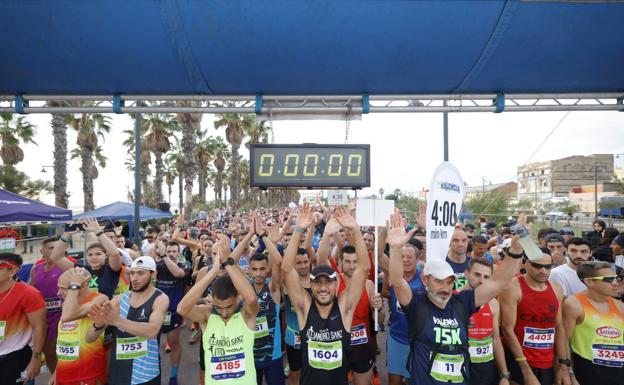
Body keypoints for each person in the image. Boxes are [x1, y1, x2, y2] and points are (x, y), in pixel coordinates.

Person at [387, 211, 524, 385]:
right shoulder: (417, 303)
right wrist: (396, 247)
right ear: (425, 280)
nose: (445, 288)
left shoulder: (462, 302)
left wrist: (517, 250)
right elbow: (398, 281)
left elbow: (499, 282)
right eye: (438, 281)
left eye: (449, 282)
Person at [282, 203, 370, 385]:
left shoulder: (345, 307)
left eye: (328, 282)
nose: (323, 288)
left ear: (336, 284)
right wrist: (298, 229)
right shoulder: (304, 308)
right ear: (311, 286)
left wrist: (355, 229)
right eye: (317, 283)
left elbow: (364, 267)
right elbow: (287, 268)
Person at [177, 233, 260, 385]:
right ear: (212, 300)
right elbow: (182, 309)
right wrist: (213, 272)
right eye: (219, 307)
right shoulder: (207, 314)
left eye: (228, 306)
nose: (224, 312)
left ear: (237, 298)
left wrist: (228, 263)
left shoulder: (246, 314)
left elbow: (252, 298)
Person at [89, 256, 169, 385]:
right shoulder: (118, 300)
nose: (134, 278)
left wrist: (116, 320)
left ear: (153, 274)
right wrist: (98, 324)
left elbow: (152, 331)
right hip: (119, 373)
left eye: (140, 273)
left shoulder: (160, 298)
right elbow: (90, 338)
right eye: (132, 273)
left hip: (146, 373)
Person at [499, 252, 568, 385]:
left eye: (548, 267)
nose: (543, 271)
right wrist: (525, 370)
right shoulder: (512, 287)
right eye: (537, 266)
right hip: (519, 360)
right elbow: (507, 330)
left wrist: (564, 365)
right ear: (525, 264)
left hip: (547, 361)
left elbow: (559, 327)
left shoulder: (557, 289)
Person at [562, 261, 624, 385]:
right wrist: (568, 372)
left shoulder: (620, 305)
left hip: (618, 371)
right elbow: (563, 341)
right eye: (608, 279)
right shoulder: (574, 304)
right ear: (589, 282)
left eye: (616, 278)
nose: (615, 283)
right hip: (587, 369)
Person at [52, 267, 108, 385]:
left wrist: (75, 284)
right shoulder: (68, 303)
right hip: (64, 374)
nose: (58, 293)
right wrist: (56, 374)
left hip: (87, 374)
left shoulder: (99, 299)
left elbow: (67, 317)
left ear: (81, 286)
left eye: (63, 288)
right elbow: (64, 341)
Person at [461, 258, 509, 385]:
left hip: (485, 367)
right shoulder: (453, 300)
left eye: (486, 277)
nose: (481, 280)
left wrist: (504, 374)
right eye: (477, 274)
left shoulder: (493, 303)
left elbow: (496, 339)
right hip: (460, 366)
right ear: (466, 274)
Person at [29, 236, 73, 375]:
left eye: (56, 247)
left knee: (52, 350)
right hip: (42, 316)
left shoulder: (68, 266)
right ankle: (57, 377)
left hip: (61, 316)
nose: (54, 251)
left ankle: (60, 378)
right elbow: (31, 292)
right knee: (45, 352)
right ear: (42, 250)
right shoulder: (36, 269)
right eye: (50, 248)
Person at [249, 221, 286, 385]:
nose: (258, 273)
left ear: (267, 270)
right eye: (254, 269)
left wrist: (265, 237)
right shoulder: (244, 290)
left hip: (273, 355)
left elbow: (278, 261)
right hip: (249, 354)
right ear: (250, 270)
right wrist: (250, 233)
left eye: (262, 269)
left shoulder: (273, 288)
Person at [0, 253, 46, 384]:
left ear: (12, 271)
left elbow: (40, 327)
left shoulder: (28, 293)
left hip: (14, 358)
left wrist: (36, 359)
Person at [151, 241, 192, 385]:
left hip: (174, 312)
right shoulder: (158, 266)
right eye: (169, 251)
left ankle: (173, 376)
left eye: (174, 251)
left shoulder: (185, 264)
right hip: (156, 311)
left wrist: (163, 256)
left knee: (173, 343)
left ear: (179, 253)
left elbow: (178, 274)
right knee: (152, 345)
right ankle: (154, 373)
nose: (172, 254)